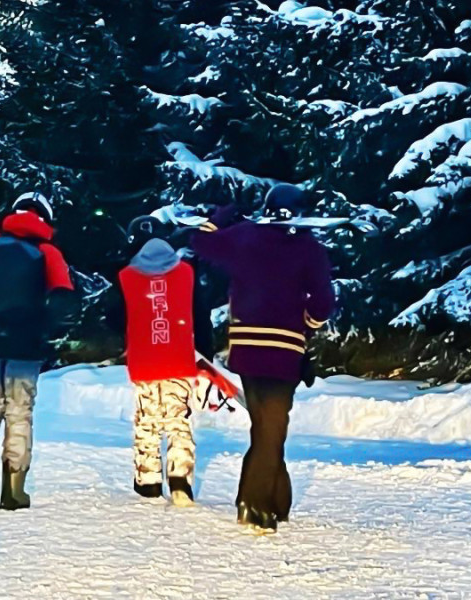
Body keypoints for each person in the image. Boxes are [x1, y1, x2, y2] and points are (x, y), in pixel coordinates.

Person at [187, 184, 335, 533]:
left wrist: (219, 218)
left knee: (266, 427)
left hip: (246, 348)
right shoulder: (309, 248)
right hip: (284, 349)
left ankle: (276, 501)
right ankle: (253, 504)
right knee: (272, 427)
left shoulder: (244, 236)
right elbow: (324, 303)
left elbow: (200, 242)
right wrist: (306, 326)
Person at [0, 192, 75, 510]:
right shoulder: (48, 252)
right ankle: (13, 490)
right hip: (25, 346)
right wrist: (48, 331)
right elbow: (64, 300)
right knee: (19, 411)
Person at [109, 216, 211, 506]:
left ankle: (149, 482)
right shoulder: (187, 273)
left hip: (144, 359)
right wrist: (206, 355)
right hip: (180, 357)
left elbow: (113, 318)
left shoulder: (126, 276)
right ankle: (180, 481)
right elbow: (201, 317)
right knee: (179, 419)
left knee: (147, 420)